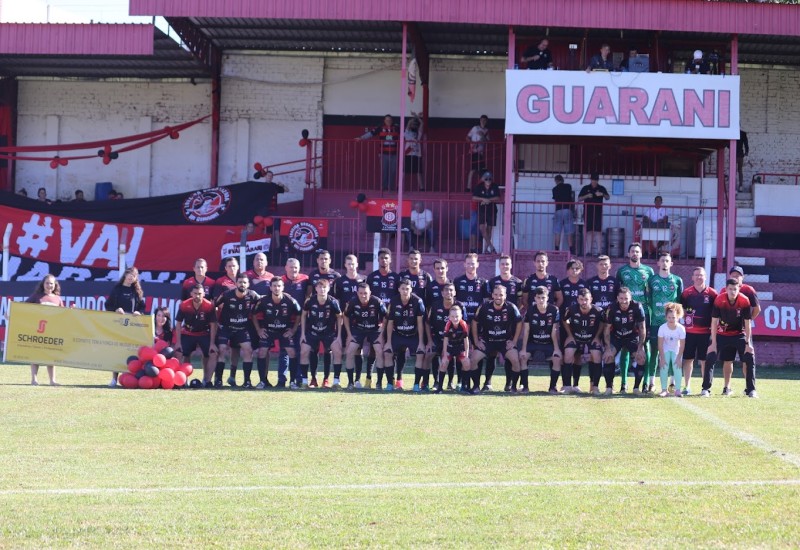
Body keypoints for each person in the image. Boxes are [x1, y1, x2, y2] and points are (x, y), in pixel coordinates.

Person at [702, 279, 757, 398]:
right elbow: (714, 322)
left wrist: (748, 343)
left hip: (739, 334)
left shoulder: (744, 300)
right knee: (710, 356)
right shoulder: (719, 300)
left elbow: (748, 323)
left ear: (739, 289)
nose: (733, 291)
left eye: (735, 289)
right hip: (723, 334)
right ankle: (706, 389)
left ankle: (751, 390)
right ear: (726, 289)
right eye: (730, 289)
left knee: (749, 357)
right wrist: (713, 342)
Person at [615, 243, 654, 390]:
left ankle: (644, 383)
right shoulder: (622, 271)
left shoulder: (648, 271)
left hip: (644, 313)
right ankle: (624, 384)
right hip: (627, 314)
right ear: (628, 253)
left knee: (645, 347)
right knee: (625, 347)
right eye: (632, 251)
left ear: (641, 254)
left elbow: (651, 292)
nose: (635, 254)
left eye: (637, 251)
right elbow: (617, 292)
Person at [470, 284, 522, 394]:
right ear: (492, 295)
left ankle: (512, 387)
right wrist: (476, 341)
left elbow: (519, 323)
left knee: (515, 360)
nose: (498, 297)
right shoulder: (484, 306)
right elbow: (474, 322)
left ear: (505, 296)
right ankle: (475, 386)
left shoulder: (511, 307)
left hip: (505, 341)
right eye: (496, 294)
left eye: (501, 295)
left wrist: (514, 341)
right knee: (473, 359)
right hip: (488, 341)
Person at [644, 253, 684, 394]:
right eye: (663, 261)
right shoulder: (652, 280)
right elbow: (648, 299)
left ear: (671, 263)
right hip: (656, 322)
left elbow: (679, 302)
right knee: (655, 351)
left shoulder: (677, 280)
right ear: (658, 263)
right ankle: (651, 383)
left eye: (667, 261)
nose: (665, 263)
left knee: (673, 351)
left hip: (672, 324)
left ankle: (672, 382)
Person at [253, 277, 301, 389]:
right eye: (274, 286)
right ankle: (263, 381)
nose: (276, 288)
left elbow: (300, 314)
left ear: (283, 287)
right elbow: (254, 314)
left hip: (284, 331)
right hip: (268, 330)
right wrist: (258, 330)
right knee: (262, 352)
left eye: (279, 286)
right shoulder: (263, 300)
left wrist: (293, 330)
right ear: (270, 287)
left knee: (292, 352)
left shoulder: (290, 300)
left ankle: (292, 382)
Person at [215, 273, 259, 388]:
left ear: (248, 284)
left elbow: (263, 301)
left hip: (241, 329)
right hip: (226, 328)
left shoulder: (252, 295)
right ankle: (218, 380)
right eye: (240, 282)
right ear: (235, 283)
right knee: (222, 349)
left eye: (245, 282)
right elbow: (213, 306)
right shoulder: (227, 294)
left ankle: (247, 382)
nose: (242, 284)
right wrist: (215, 323)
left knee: (248, 350)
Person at [306, 250, 342, 387]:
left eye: (326, 259)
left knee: (329, 350)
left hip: (330, 318)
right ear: (317, 260)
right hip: (315, 318)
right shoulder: (313, 275)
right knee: (313, 349)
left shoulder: (336, 276)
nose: (323, 261)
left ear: (330, 260)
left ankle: (326, 379)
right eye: (321, 259)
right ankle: (313, 378)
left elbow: (338, 296)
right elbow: (309, 296)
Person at [105, 267, 146, 387]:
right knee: (117, 351)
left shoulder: (136, 291)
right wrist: (116, 309)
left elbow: (142, 307)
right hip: (118, 326)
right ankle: (114, 379)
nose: (131, 277)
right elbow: (108, 305)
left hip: (132, 327)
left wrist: (139, 312)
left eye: (134, 276)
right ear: (125, 274)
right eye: (129, 274)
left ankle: (130, 378)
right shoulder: (117, 289)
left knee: (131, 352)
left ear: (135, 279)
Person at [680, 267, 718, 395]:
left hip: (706, 333)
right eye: (696, 275)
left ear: (705, 277)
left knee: (704, 361)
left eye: (701, 275)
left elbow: (716, 314)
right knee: (687, 359)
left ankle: (705, 388)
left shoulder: (713, 294)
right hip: (689, 333)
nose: (698, 277)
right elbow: (682, 311)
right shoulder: (686, 293)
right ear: (692, 277)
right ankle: (687, 387)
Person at [603, 287, 647, 395]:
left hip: (632, 336)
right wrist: (608, 348)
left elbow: (642, 328)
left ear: (630, 298)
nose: (624, 301)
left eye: (626, 298)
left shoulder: (637, 306)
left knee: (641, 358)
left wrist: (640, 348)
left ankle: (636, 388)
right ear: (617, 298)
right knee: (608, 357)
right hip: (616, 336)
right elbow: (607, 329)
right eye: (621, 298)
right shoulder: (611, 308)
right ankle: (609, 387)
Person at [383, 278, 426, 392]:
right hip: (398, 334)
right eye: (403, 289)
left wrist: (421, 342)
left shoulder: (418, 301)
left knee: (421, 353)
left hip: (413, 335)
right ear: (399, 289)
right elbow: (390, 322)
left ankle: (416, 385)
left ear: (411, 289)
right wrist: (388, 342)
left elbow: (420, 323)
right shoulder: (394, 301)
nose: (405, 291)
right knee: (387, 353)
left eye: (407, 289)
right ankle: (389, 384)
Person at [519, 286, 562, 394]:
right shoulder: (530, 310)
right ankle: (525, 387)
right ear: (535, 298)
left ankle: (553, 387)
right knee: (523, 357)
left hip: (548, 343)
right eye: (538, 297)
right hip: (533, 342)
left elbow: (554, 331)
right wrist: (523, 349)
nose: (541, 300)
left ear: (547, 298)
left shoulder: (554, 310)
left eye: (543, 297)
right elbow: (526, 331)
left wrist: (556, 349)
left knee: (557, 358)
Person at [343, 283, 386, 390]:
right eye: (361, 293)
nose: (363, 296)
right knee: (349, 352)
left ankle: (379, 383)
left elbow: (386, 317)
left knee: (379, 352)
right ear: (357, 293)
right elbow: (345, 316)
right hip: (359, 329)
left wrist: (381, 334)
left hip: (374, 329)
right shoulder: (353, 302)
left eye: (365, 293)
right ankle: (350, 383)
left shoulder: (377, 302)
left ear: (370, 293)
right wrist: (349, 334)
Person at [174, 284, 218, 387]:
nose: (197, 296)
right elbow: (179, 324)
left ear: (204, 294)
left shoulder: (209, 306)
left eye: (200, 294)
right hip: (188, 333)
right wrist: (178, 342)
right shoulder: (184, 305)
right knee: (180, 353)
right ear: (191, 294)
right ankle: (183, 380)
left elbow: (213, 325)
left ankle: (207, 380)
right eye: (195, 293)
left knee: (213, 353)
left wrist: (212, 344)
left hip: (204, 333)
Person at [562, 288, 604, 394]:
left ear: (591, 299)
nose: (584, 302)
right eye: (581, 299)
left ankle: (595, 387)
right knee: (568, 353)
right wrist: (570, 335)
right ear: (577, 299)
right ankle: (568, 386)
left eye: (586, 299)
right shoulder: (571, 309)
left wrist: (597, 337)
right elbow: (564, 320)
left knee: (596, 355)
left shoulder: (598, 311)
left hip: (591, 338)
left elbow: (603, 323)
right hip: (576, 337)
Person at [425, 283, 465, 391]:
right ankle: (434, 383)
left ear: (455, 292)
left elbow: (465, 324)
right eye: (446, 290)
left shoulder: (460, 306)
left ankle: (456, 382)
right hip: (438, 338)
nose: (449, 292)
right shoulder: (435, 306)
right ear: (442, 293)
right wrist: (429, 340)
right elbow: (427, 323)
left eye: (451, 290)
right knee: (431, 355)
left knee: (458, 358)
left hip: (456, 339)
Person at [27, 274, 64, 386]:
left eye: (51, 283)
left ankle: (52, 380)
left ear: (55, 285)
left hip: (52, 331)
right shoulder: (36, 296)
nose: (49, 285)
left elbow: (63, 314)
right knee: (35, 355)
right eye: (47, 283)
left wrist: (71, 310)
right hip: (37, 330)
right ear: (43, 284)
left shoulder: (58, 298)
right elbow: (23, 308)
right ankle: (34, 380)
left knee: (51, 356)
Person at [212, 257, 241, 387]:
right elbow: (216, 303)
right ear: (225, 268)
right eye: (229, 266)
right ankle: (218, 378)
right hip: (224, 322)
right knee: (222, 349)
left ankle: (232, 377)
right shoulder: (221, 282)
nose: (232, 268)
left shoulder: (243, 281)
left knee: (236, 350)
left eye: (234, 266)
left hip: (239, 323)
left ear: (238, 267)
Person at [282, 258, 310, 388]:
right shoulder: (280, 280)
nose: (294, 270)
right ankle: (282, 379)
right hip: (283, 322)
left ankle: (298, 378)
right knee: (284, 351)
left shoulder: (305, 279)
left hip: (299, 321)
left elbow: (308, 297)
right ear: (286, 268)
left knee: (299, 350)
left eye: (296, 267)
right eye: (291, 267)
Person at [358, 114, 399, 191]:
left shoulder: (397, 127)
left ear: (392, 121)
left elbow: (404, 134)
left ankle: (391, 188)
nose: (388, 121)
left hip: (394, 153)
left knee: (393, 171)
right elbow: (371, 133)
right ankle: (384, 188)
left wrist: (386, 137)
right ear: (384, 121)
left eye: (390, 120)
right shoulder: (380, 127)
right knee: (384, 171)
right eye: (387, 120)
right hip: (383, 153)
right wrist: (361, 138)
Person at [438, 305, 471, 394]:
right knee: (444, 363)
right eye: (452, 316)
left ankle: (466, 387)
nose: (455, 318)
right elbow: (445, 340)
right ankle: (439, 388)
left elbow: (466, 341)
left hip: (460, 347)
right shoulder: (448, 324)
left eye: (457, 316)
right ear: (449, 317)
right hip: (450, 347)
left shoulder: (463, 324)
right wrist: (445, 355)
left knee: (466, 363)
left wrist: (467, 356)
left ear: (461, 316)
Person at [658, 303, 687, 397]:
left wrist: (679, 358)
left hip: (676, 350)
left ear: (678, 317)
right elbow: (660, 344)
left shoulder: (681, 329)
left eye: (673, 317)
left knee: (677, 368)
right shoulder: (662, 328)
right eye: (669, 317)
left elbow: (682, 345)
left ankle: (677, 390)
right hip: (665, 350)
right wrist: (662, 358)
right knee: (664, 367)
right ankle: (663, 390)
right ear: (666, 317)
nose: (671, 319)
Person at [578, 173, 609, 256]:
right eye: (593, 180)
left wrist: (602, 194)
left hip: (598, 213)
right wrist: (587, 196)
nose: (594, 182)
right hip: (588, 212)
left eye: (596, 180)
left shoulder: (601, 188)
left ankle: (599, 251)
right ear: (590, 179)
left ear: (598, 180)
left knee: (598, 231)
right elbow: (579, 198)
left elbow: (607, 197)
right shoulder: (586, 188)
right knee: (588, 231)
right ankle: (588, 251)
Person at [472, 171, 501, 254]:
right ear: (483, 180)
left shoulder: (494, 186)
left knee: (489, 229)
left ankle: (486, 250)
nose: (488, 180)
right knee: (482, 228)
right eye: (486, 179)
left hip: (491, 209)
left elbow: (498, 197)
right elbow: (474, 198)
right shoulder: (479, 187)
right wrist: (483, 199)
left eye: (490, 179)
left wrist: (488, 200)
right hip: (482, 209)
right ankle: (491, 247)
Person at [465, 115, 490, 192]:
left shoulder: (486, 130)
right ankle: (469, 187)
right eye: (482, 120)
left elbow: (488, 140)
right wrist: (472, 144)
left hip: (481, 152)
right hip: (474, 151)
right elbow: (467, 137)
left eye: (484, 120)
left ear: (486, 121)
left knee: (481, 170)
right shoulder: (475, 128)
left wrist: (483, 136)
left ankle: (476, 187)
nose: (483, 121)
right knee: (475, 169)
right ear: (480, 120)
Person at [552, 175, 575, 253]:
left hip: (558, 210)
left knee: (557, 231)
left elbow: (555, 199)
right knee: (569, 231)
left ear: (556, 181)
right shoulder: (568, 186)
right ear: (563, 180)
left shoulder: (554, 189)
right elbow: (571, 197)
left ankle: (556, 250)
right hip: (567, 209)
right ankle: (571, 250)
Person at [404, 111, 425, 191]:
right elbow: (409, 123)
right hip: (408, 153)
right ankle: (400, 186)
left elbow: (422, 123)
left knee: (418, 171)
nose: (413, 125)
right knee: (404, 171)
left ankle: (421, 187)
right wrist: (415, 116)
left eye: (415, 124)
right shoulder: (407, 132)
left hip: (417, 153)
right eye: (413, 124)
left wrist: (418, 117)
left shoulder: (418, 133)